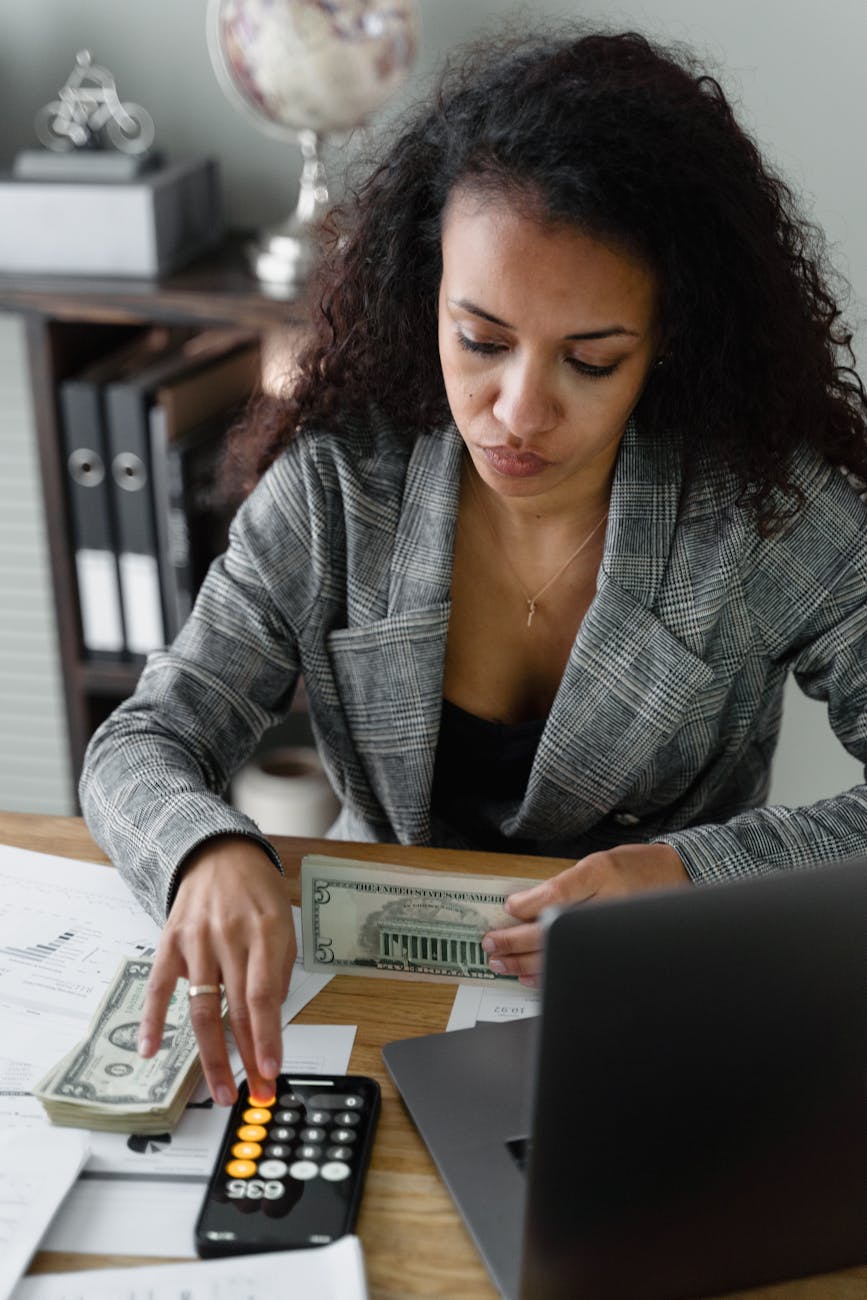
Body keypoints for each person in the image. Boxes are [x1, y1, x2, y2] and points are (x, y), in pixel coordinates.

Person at [80, 27, 867, 1107]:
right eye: (481, 339)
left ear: (670, 336)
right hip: (364, 1005)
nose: (519, 412)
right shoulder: (336, 492)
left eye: (592, 359)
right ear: (426, 297)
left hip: (666, 1007)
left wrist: (694, 872)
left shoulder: (766, 513)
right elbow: (143, 741)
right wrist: (206, 853)